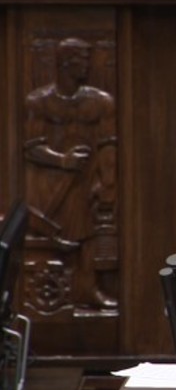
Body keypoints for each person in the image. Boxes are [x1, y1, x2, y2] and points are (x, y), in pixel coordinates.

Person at [24, 37, 118, 311]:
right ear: (65, 63)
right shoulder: (39, 101)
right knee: (53, 239)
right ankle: (50, 294)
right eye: (81, 60)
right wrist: (63, 159)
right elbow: (31, 147)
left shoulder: (100, 101)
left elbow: (108, 145)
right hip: (50, 183)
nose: (87, 66)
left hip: (86, 179)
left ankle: (87, 289)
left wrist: (107, 181)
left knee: (88, 236)